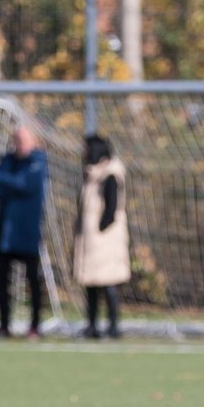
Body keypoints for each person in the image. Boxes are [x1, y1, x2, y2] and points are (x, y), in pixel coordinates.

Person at [0, 126, 48, 338]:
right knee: (2, 281)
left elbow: (25, 185)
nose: (19, 144)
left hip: (27, 233)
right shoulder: (7, 160)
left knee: (33, 281)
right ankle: (4, 326)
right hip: (5, 234)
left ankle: (35, 326)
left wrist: (3, 181)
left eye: (24, 140)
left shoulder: (38, 161)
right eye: (17, 140)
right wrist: (6, 182)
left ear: (33, 140)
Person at [73, 134, 130, 339]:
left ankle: (113, 326)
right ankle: (92, 325)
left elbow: (111, 207)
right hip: (91, 239)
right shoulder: (90, 174)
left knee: (108, 284)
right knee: (91, 285)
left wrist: (100, 229)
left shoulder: (111, 174)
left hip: (105, 239)